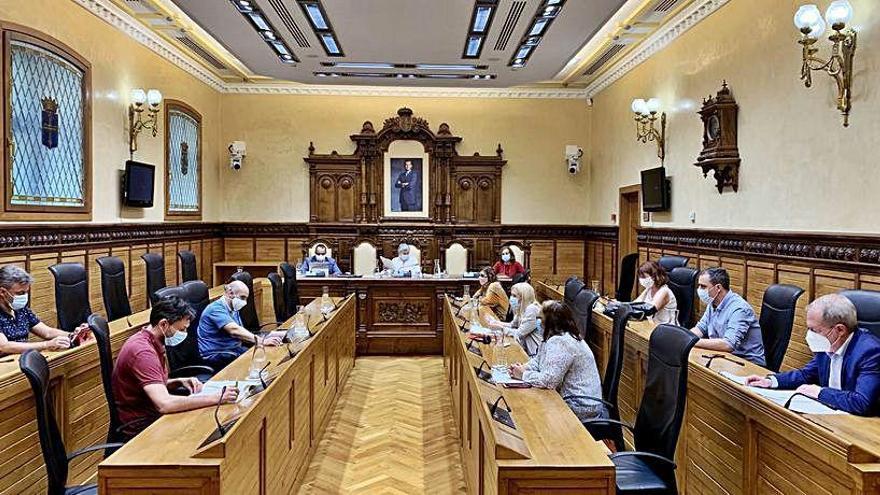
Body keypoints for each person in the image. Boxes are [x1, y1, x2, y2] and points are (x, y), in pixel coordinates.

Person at [112, 295, 239, 438]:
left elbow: (150, 385)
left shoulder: (151, 341)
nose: (184, 334)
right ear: (164, 324)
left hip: (154, 417)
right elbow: (164, 404)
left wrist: (178, 382)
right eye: (182, 329)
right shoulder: (143, 352)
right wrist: (216, 397)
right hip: (143, 428)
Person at [745, 294, 880, 415]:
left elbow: (862, 402)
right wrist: (770, 381)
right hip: (829, 415)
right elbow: (806, 374)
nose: (809, 335)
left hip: (860, 427)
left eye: (814, 330)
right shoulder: (828, 345)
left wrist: (819, 392)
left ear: (840, 330)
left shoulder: (870, 352)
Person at [509, 300, 605, 422]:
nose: (538, 322)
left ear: (550, 322)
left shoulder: (562, 342)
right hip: (572, 398)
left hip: (582, 405)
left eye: (540, 318)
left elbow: (549, 381)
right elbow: (538, 360)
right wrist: (523, 367)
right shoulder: (555, 336)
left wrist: (523, 374)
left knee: (530, 408)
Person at [0, 265, 92, 355]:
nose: (24, 296)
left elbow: (47, 332)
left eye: (26, 292)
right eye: (20, 293)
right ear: (3, 292)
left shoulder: (21, 310)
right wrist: (46, 344)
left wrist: (72, 335)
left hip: (21, 358)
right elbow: (4, 346)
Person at [198, 280, 285, 371]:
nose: (245, 302)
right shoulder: (215, 309)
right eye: (242, 297)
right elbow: (234, 331)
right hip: (217, 354)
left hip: (232, 350)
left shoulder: (233, 309)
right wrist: (261, 340)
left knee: (269, 354)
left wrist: (272, 334)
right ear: (230, 293)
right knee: (261, 359)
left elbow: (242, 331)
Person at [690, 267, 765, 366]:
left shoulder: (739, 308)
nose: (699, 290)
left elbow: (728, 344)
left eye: (703, 286)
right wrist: (685, 337)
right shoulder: (712, 303)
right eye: (699, 286)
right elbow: (700, 328)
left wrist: (693, 342)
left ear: (718, 288)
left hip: (747, 364)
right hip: (725, 358)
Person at [489, 282, 542, 355]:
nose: (511, 298)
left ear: (524, 297)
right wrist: (496, 322)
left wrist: (500, 328)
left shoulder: (532, 309)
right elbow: (512, 325)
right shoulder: (521, 307)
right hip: (525, 349)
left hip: (534, 353)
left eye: (514, 296)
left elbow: (519, 333)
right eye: (511, 295)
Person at [633, 260, 678, 325]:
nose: (641, 279)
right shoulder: (649, 289)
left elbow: (649, 310)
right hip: (652, 325)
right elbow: (635, 303)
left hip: (667, 328)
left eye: (643, 277)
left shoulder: (664, 291)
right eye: (640, 277)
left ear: (654, 276)